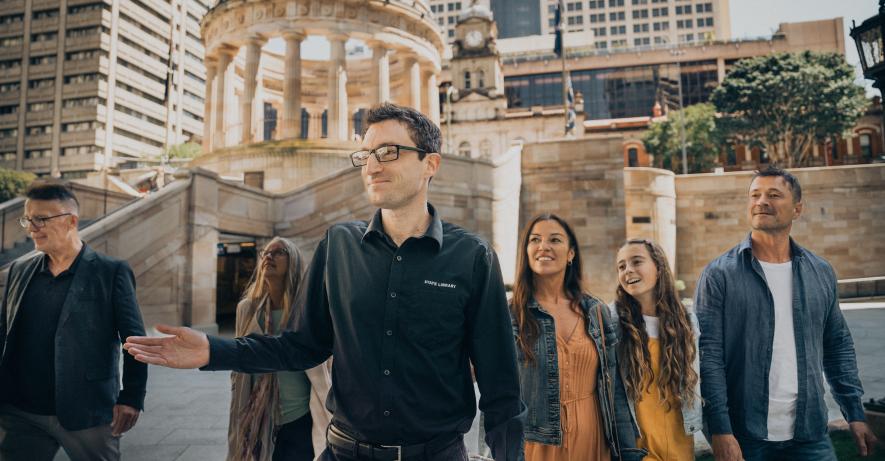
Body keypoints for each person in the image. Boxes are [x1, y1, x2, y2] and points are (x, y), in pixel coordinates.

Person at [125, 103, 525, 460]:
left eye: (388, 152)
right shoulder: (338, 244)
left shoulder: (472, 257)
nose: (372, 166)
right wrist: (214, 351)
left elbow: (500, 386)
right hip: (345, 451)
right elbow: (301, 346)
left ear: (430, 165)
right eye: (365, 155)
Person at [695, 166, 878, 461]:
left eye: (773, 195)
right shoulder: (719, 275)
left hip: (809, 433)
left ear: (797, 208)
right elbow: (709, 357)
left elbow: (837, 346)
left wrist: (854, 412)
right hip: (745, 435)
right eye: (755, 195)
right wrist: (720, 429)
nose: (761, 201)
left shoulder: (820, 272)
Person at [0, 181, 147, 461]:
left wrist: (132, 397)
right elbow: (3, 332)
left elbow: (135, 341)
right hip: (20, 411)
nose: (32, 227)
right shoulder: (19, 269)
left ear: (71, 221)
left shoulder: (111, 271)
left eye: (41, 219)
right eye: (28, 219)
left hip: (86, 411)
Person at [510, 213, 645, 461]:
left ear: (571, 253)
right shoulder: (509, 315)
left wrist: (627, 451)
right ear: (526, 250)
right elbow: (499, 392)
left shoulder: (596, 311)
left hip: (593, 440)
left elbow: (615, 390)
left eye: (555, 239)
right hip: (536, 446)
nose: (544, 247)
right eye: (535, 239)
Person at [227, 237, 332, 461]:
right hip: (256, 415)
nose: (268, 257)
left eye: (278, 252)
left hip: (298, 418)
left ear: (293, 261)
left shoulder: (307, 311)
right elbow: (238, 359)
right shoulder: (247, 308)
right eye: (265, 253)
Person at [612, 238, 701, 461]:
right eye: (621, 266)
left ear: (659, 268)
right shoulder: (612, 322)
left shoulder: (686, 320)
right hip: (637, 451)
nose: (628, 270)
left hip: (681, 448)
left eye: (636, 262)